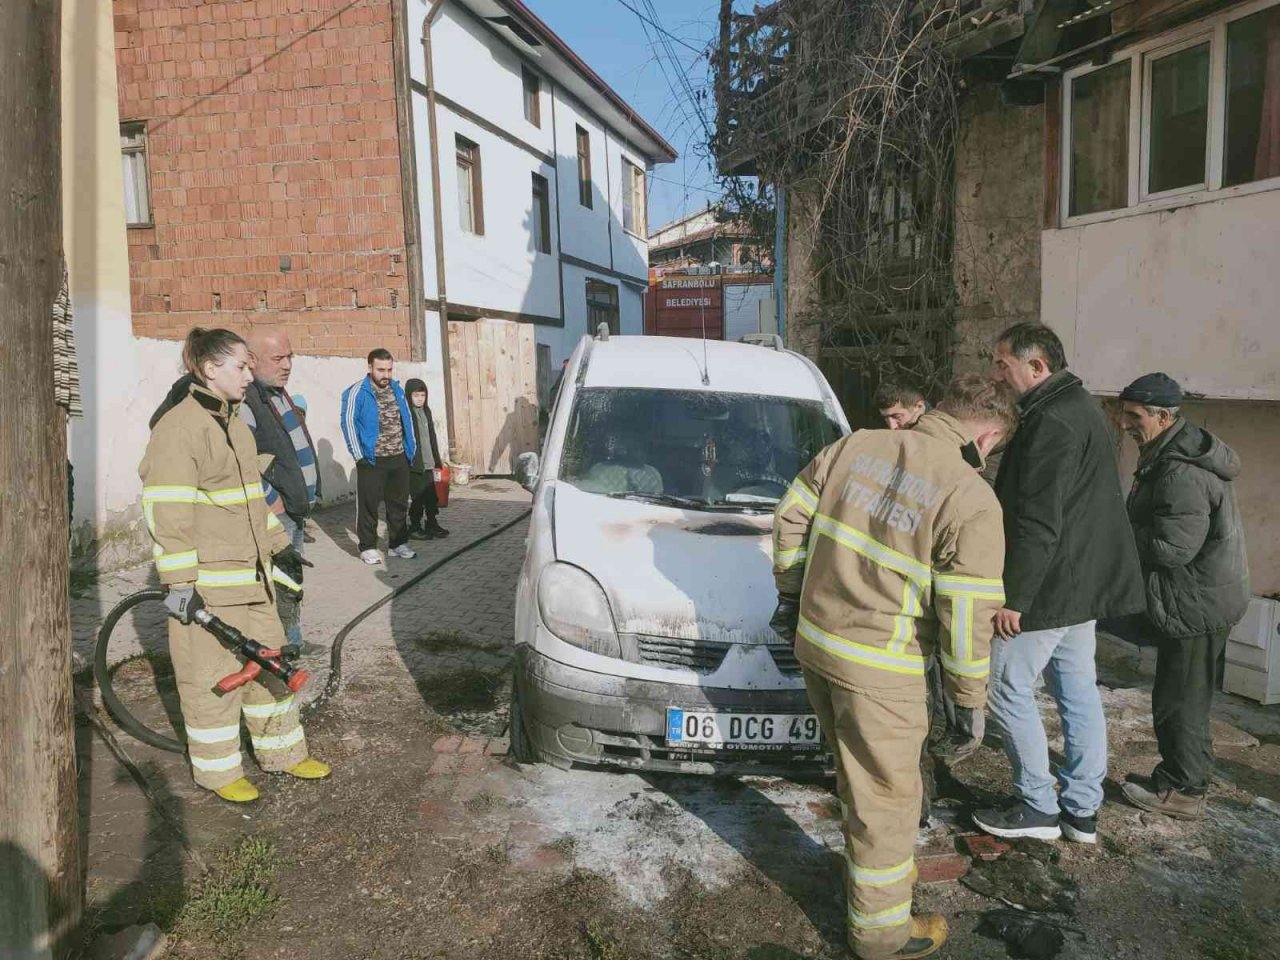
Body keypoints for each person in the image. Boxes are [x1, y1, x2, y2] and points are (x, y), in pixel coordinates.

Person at [771, 375, 1016, 960]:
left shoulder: (855, 446)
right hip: (882, 670)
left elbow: (788, 521)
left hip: (818, 645)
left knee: (856, 776)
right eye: (996, 447)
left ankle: (865, 876)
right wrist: (967, 699)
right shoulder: (970, 496)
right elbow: (966, 613)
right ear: (987, 435)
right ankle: (880, 936)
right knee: (887, 797)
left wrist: (791, 593)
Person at [140, 327, 329, 803]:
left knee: (271, 667)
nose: (250, 375)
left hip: (254, 579)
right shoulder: (180, 429)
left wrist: (278, 546)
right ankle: (219, 773)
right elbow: (168, 512)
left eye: (250, 365)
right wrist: (179, 584)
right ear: (209, 369)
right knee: (212, 681)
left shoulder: (234, 424)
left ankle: (283, 754)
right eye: (241, 366)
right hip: (208, 589)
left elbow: (252, 500)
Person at [973, 323, 1144, 845]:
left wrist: (1016, 598)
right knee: (1077, 693)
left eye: (1003, 365)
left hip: (1051, 587)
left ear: (1037, 367)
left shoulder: (1055, 422)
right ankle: (1081, 811)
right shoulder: (1075, 407)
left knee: (1003, 689)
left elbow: (1038, 521)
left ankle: (1036, 805)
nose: (995, 374)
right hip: (1079, 584)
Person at [1117, 373, 1249, 820]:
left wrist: (1118, 534)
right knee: (1186, 696)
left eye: (1134, 416)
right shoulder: (1170, 453)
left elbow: (1173, 549)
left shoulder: (1179, 471)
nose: (1125, 424)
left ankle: (1184, 791)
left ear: (1162, 415)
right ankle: (1185, 778)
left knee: (1180, 701)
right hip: (1200, 597)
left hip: (1195, 603)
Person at [243, 327, 322, 655]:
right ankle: (280, 648)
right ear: (252, 359)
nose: (287, 364)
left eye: (290, 356)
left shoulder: (278, 393)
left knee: (289, 580)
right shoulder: (248, 400)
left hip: (294, 511)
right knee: (278, 581)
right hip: (277, 516)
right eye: (278, 358)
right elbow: (242, 465)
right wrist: (273, 503)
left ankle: (291, 642)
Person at [341, 349, 418, 564]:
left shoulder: (397, 389)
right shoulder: (357, 391)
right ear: (369, 368)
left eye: (389, 369)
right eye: (381, 370)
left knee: (399, 504)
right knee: (368, 505)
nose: (386, 374)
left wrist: (411, 448)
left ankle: (398, 544)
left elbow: (407, 419)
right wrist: (359, 455)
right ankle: (368, 547)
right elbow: (348, 423)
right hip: (372, 459)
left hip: (398, 456)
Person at [403, 378, 449, 540]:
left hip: (428, 462)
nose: (419, 399)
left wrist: (437, 458)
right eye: (416, 395)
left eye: (422, 395)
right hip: (415, 464)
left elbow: (432, 437)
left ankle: (431, 523)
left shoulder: (426, 411)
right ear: (409, 396)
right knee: (417, 496)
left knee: (431, 495)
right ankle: (414, 526)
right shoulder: (407, 414)